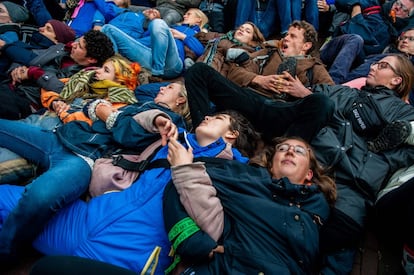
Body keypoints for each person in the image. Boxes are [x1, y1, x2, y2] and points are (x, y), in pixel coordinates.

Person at [8, 109, 260, 274]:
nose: (207, 117)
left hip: (133, 250)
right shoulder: (174, 135)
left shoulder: (236, 171)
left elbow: (215, 227)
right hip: (88, 216)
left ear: (232, 134)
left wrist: (186, 168)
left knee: (47, 269)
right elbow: (124, 125)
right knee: (7, 201)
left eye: (218, 118)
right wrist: (156, 120)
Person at [0, 53, 141, 267]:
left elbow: (119, 131)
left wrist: (71, 113)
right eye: (100, 67)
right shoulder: (82, 82)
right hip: (54, 137)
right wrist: (56, 101)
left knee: (40, 196)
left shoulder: (126, 106)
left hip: (82, 157)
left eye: (106, 70)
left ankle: (5, 253)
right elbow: (52, 87)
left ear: (120, 80)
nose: (98, 72)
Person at [281, 54, 414, 274]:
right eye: (374, 63)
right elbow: (317, 97)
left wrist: (381, 156)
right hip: (319, 170)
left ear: (396, 80)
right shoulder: (348, 93)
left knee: (334, 242)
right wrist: (300, 90)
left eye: (381, 65)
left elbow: (402, 154)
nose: (372, 67)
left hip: (354, 192)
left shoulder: (405, 114)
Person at [162, 136, 336, 274]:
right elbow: (177, 184)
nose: (289, 151)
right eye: (282, 149)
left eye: (299, 151)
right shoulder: (246, 179)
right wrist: (193, 242)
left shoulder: (320, 209)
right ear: (271, 165)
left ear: (309, 174)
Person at [226, 20, 334, 100]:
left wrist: (305, 93)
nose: (286, 38)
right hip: (253, 99)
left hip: (285, 112)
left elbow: (333, 98)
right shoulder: (268, 53)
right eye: (287, 34)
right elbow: (233, 71)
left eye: (292, 36)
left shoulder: (314, 67)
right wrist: (258, 79)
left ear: (306, 46)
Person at [101, 8, 207, 79]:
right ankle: (116, 67)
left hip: (170, 63)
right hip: (147, 55)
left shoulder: (198, 33)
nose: (184, 16)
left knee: (159, 23)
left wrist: (183, 37)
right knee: (107, 29)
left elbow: (201, 51)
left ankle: (156, 73)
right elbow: (145, 38)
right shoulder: (173, 26)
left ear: (199, 19)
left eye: (188, 14)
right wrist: (152, 20)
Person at [0, 19, 76, 74]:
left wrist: (4, 46)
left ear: (57, 41)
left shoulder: (50, 58)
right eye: (44, 26)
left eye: (48, 29)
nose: (40, 28)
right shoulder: (27, 42)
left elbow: (32, 59)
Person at [195, 21, 265, 76]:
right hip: (198, 68)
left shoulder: (250, 53)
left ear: (253, 40)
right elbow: (199, 36)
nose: (242, 30)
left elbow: (251, 72)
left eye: (247, 31)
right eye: (240, 28)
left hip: (219, 81)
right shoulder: (221, 37)